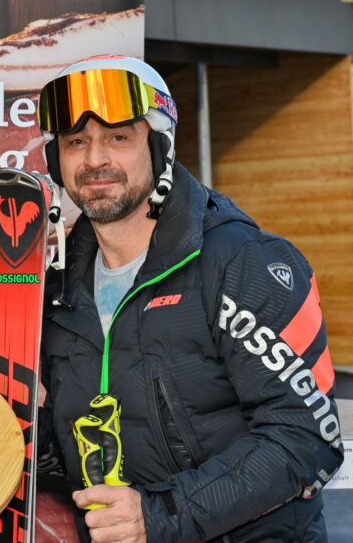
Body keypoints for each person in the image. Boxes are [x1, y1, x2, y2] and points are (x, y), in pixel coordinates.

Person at [36, 55, 343, 543]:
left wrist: (159, 517)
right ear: (57, 160)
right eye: (76, 142)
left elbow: (306, 435)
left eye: (118, 137)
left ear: (159, 147)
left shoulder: (244, 263)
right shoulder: (58, 288)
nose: (94, 160)